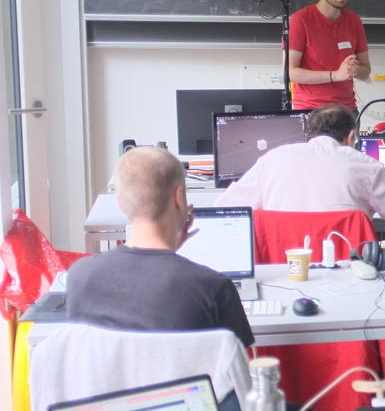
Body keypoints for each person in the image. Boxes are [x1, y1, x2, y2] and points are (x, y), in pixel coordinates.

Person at [66, 147, 253, 348]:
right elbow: (237, 370)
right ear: (179, 198)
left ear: (120, 202)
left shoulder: (79, 276)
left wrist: (169, 250)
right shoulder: (213, 288)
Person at [216, 103, 385, 220]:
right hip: (350, 275)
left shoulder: (271, 160)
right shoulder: (366, 166)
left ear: (309, 135)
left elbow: (224, 209)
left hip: (284, 272)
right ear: (351, 137)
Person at [288, 0, 370, 111]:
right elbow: (291, 73)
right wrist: (335, 75)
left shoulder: (354, 21)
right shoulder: (300, 20)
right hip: (311, 111)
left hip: (346, 110)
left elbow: (366, 72)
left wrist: (354, 70)